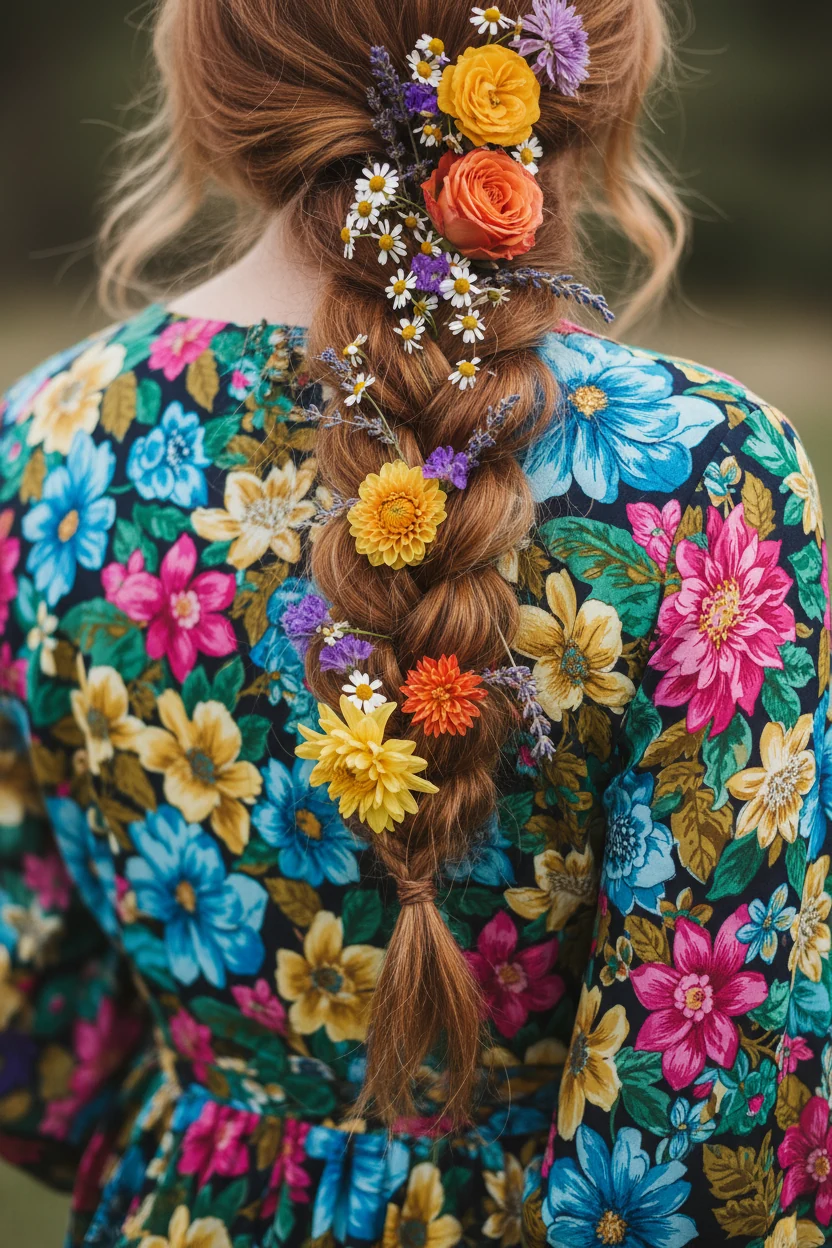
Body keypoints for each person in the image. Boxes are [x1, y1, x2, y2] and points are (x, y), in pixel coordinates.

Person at [0, 2, 829, 1245]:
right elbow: (719, 1103)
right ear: (579, 73)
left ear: (222, 78)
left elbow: (39, 1037)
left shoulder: (44, 445)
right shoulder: (701, 475)